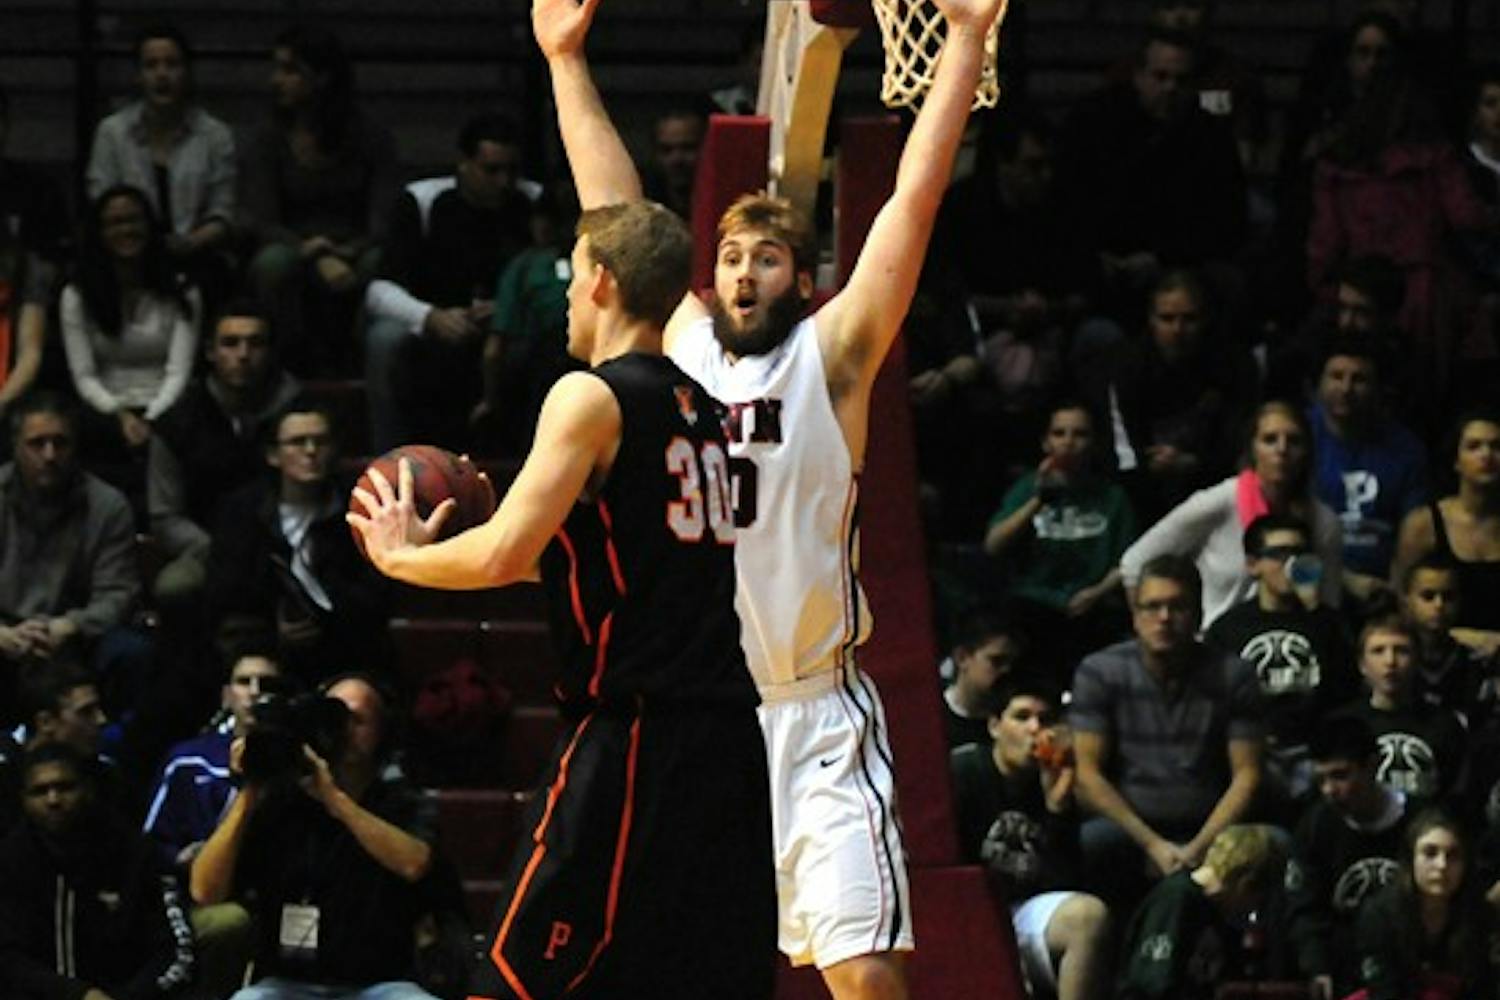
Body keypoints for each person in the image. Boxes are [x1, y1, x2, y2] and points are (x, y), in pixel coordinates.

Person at [528, 0, 1009, 995]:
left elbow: (909, 211)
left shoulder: (831, 358)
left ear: (801, 278)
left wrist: (961, 42)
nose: (746, 273)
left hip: (818, 713)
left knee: (871, 983)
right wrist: (566, 60)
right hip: (704, 727)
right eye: (734, 257)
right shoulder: (681, 348)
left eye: (770, 259)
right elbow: (614, 214)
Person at [349, 196, 776, 998]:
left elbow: (510, 550)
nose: (568, 298)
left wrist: (399, 558)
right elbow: (582, 563)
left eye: (575, 277)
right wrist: (463, 544)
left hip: (638, 731)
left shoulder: (588, 397)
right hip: (725, 745)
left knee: (515, 976)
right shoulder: (707, 412)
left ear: (604, 282)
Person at [189, 674, 448, 999]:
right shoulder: (283, 803)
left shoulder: (401, 802)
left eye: (357, 720)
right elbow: (204, 891)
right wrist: (250, 789)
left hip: (379, 984)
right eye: (334, 717)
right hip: (288, 983)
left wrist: (335, 799)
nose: (345, 731)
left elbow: (414, 863)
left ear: (383, 732)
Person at [1070, 555, 1265, 911]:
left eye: (1177, 606)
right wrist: (1151, 845)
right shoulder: (1100, 672)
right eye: (1152, 607)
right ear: (1134, 615)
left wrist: (1199, 848)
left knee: (1272, 845)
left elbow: (1248, 776)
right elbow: (1086, 775)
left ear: (1199, 614)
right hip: (1130, 829)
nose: (1163, 618)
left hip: (1210, 826)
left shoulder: (1233, 675)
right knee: (1089, 842)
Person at [363, 112, 536, 451]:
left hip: (510, 329)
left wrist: (508, 311)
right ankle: (389, 455)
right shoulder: (421, 201)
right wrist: (430, 317)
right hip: (432, 322)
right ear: (464, 163)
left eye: (511, 171)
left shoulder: (532, 202)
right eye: (491, 170)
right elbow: (379, 289)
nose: (503, 182)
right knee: (384, 339)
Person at [240, 24, 399, 376]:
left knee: (379, 263)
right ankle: (282, 369)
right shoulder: (267, 137)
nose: (276, 80)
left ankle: (362, 366)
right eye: (276, 69)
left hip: (355, 247)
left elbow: (384, 218)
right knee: (272, 265)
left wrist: (347, 251)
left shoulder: (369, 135)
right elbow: (261, 219)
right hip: (294, 246)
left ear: (322, 77)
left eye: (290, 71)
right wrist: (314, 253)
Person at [205, 395, 389, 686]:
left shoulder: (360, 509)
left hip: (347, 651)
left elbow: (376, 596)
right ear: (273, 455)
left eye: (321, 441)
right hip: (263, 650)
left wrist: (326, 619)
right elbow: (227, 594)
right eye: (297, 442)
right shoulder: (241, 513)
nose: (311, 451)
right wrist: (275, 631)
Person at [949, 674, 1111, 1000]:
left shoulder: (1051, 780)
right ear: (995, 726)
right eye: (1022, 717)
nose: (1036, 729)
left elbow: (1063, 883)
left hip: (1021, 910)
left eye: (1045, 719)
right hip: (967, 914)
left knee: (1088, 916)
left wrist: (1057, 807)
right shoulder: (962, 772)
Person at [1120, 400, 1344, 629]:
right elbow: (1134, 563)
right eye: (1270, 440)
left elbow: (1328, 606)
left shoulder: (1323, 523)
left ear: (1307, 451)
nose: (1282, 449)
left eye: (1294, 441)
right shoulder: (1219, 502)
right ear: (1253, 449)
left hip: (1289, 650)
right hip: (1214, 654)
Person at [0, 742, 195, 1000]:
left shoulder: (136, 854)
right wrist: (76, 994)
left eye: (65, 787)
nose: (53, 800)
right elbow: (8, 958)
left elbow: (176, 951)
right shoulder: (10, 861)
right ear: (23, 800)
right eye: (40, 791)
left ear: (88, 789)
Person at [0, 393, 143, 729]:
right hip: (4, 633)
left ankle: (113, 757)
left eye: (59, 443)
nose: (50, 455)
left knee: (131, 652)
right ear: (16, 447)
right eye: (37, 444)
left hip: (75, 635)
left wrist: (70, 626)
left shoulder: (107, 506)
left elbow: (118, 594)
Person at [147, 300, 301, 613]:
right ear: (209, 352)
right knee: (174, 588)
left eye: (255, 343)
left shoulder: (297, 413)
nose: (243, 355)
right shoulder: (176, 424)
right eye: (230, 344)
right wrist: (221, 549)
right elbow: (165, 517)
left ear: (270, 352)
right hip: (207, 547)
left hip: (288, 546)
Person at [1204, 514, 1356, 819]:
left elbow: (1347, 691)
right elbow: (1212, 702)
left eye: (1299, 554)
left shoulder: (1329, 622)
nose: (1291, 564)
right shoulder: (1228, 629)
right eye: (1279, 555)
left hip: (1316, 755)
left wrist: (1316, 612)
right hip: (1254, 755)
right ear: (1253, 564)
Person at [1079, 271, 1259, 523]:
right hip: (1138, 490)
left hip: (1213, 487)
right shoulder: (1124, 366)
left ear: (1205, 319)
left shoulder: (1233, 365)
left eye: (1189, 319)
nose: (1178, 329)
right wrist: (1147, 467)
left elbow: (1240, 440)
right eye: (1167, 318)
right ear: (1151, 320)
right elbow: (1119, 450)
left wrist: (1194, 463)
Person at [85, 23, 236, 306]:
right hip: (127, 253)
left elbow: (223, 214)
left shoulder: (215, 135)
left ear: (188, 72)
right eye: (151, 65)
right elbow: (100, 201)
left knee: (215, 274)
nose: (162, 74)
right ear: (138, 76)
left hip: (193, 253)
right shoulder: (112, 133)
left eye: (172, 64)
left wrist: (189, 243)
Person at [983, 400, 1135, 675]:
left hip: (1090, 606)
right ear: (1046, 443)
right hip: (1032, 604)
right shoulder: (1028, 488)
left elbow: (1127, 562)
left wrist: (1097, 593)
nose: (1068, 442)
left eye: (1080, 434)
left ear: (1094, 444)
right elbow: (994, 545)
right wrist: (1040, 500)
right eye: (1059, 433)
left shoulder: (1113, 498)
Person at [60, 185, 201, 469]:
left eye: (133, 220)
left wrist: (151, 418)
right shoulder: (77, 295)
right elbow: (84, 376)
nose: (126, 230)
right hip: (104, 408)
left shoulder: (184, 290)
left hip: (168, 406)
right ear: (99, 233)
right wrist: (120, 416)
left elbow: (179, 372)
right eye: (114, 223)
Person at [1281, 715, 1409, 998]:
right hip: (1342, 968)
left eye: (1340, 775)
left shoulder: (1417, 824)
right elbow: (1304, 908)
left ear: (1373, 765)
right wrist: (1316, 966)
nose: (1329, 790)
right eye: (1321, 779)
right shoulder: (1315, 826)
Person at [1309, 336, 1428, 604]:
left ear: (1377, 388)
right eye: (1337, 376)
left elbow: (1416, 529)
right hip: (1309, 583)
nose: (1346, 388)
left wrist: (1396, 592)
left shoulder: (1406, 449)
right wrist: (1344, 579)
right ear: (1319, 382)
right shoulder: (1297, 437)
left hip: (1383, 588)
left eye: (1359, 379)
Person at [1115, 823, 1287, 1000]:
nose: (1252, 910)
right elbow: (1154, 984)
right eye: (1258, 901)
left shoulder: (1217, 912)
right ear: (1246, 884)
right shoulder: (1176, 899)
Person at [1351, 808, 1499, 1000]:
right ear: (1411, 859)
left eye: (1453, 855)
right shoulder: (1379, 915)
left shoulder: (1479, 915)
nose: (1442, 865)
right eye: (1430, 853)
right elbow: (1383, 990)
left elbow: (1481, 990)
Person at [1331, 618, 1466, 806]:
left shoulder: (1445, 724)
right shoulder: (1342, 724)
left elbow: (1456, 796)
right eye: (1378, 651)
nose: (1390, 661)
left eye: (1401, 651)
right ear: (1362, 664)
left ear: (1417, 660)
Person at [1392, 409, 1500, 636]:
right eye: (1474, 446)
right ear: (1456, 460)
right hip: (1439, 656)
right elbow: (1402, 604)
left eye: (1496, 446)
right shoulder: (1424, 524)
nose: (1487, 455)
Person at [939, 607, 1023, 749]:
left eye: (1012, 663)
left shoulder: (1014, 723)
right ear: (962, 657)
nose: (1007, 671)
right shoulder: (934, 717)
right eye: (997, 661)